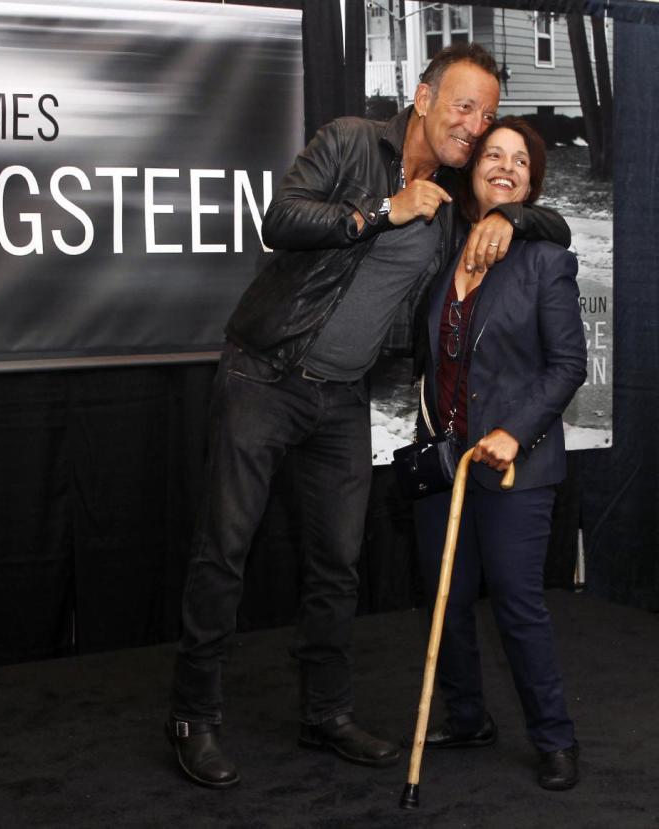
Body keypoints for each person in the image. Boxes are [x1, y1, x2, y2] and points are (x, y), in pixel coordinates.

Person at [166, 44, 571, 789]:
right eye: (464, 105)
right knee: (224, 549)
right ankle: (194, 714)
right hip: (265, 374)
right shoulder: (351, 140)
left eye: (485, 113)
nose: (475, 125)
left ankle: (325, 712)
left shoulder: (454, 204)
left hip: (341, 399)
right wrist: (382, 210)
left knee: (337, 565)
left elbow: (556, 230)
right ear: (423, 99)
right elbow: (280, 218)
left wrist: (514, 218)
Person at [409, 116, 586, 791]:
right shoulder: (444, 248)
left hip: (516, 462)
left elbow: (568, 365)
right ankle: (466, 714)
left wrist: (517, 429)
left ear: (531, 182)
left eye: (520, 160)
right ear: (473, 168)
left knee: (515, 600)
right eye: (493, 154)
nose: (505, 166)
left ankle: (554, 737)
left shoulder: (543, 256)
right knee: (445, 596)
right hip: (445, 458)